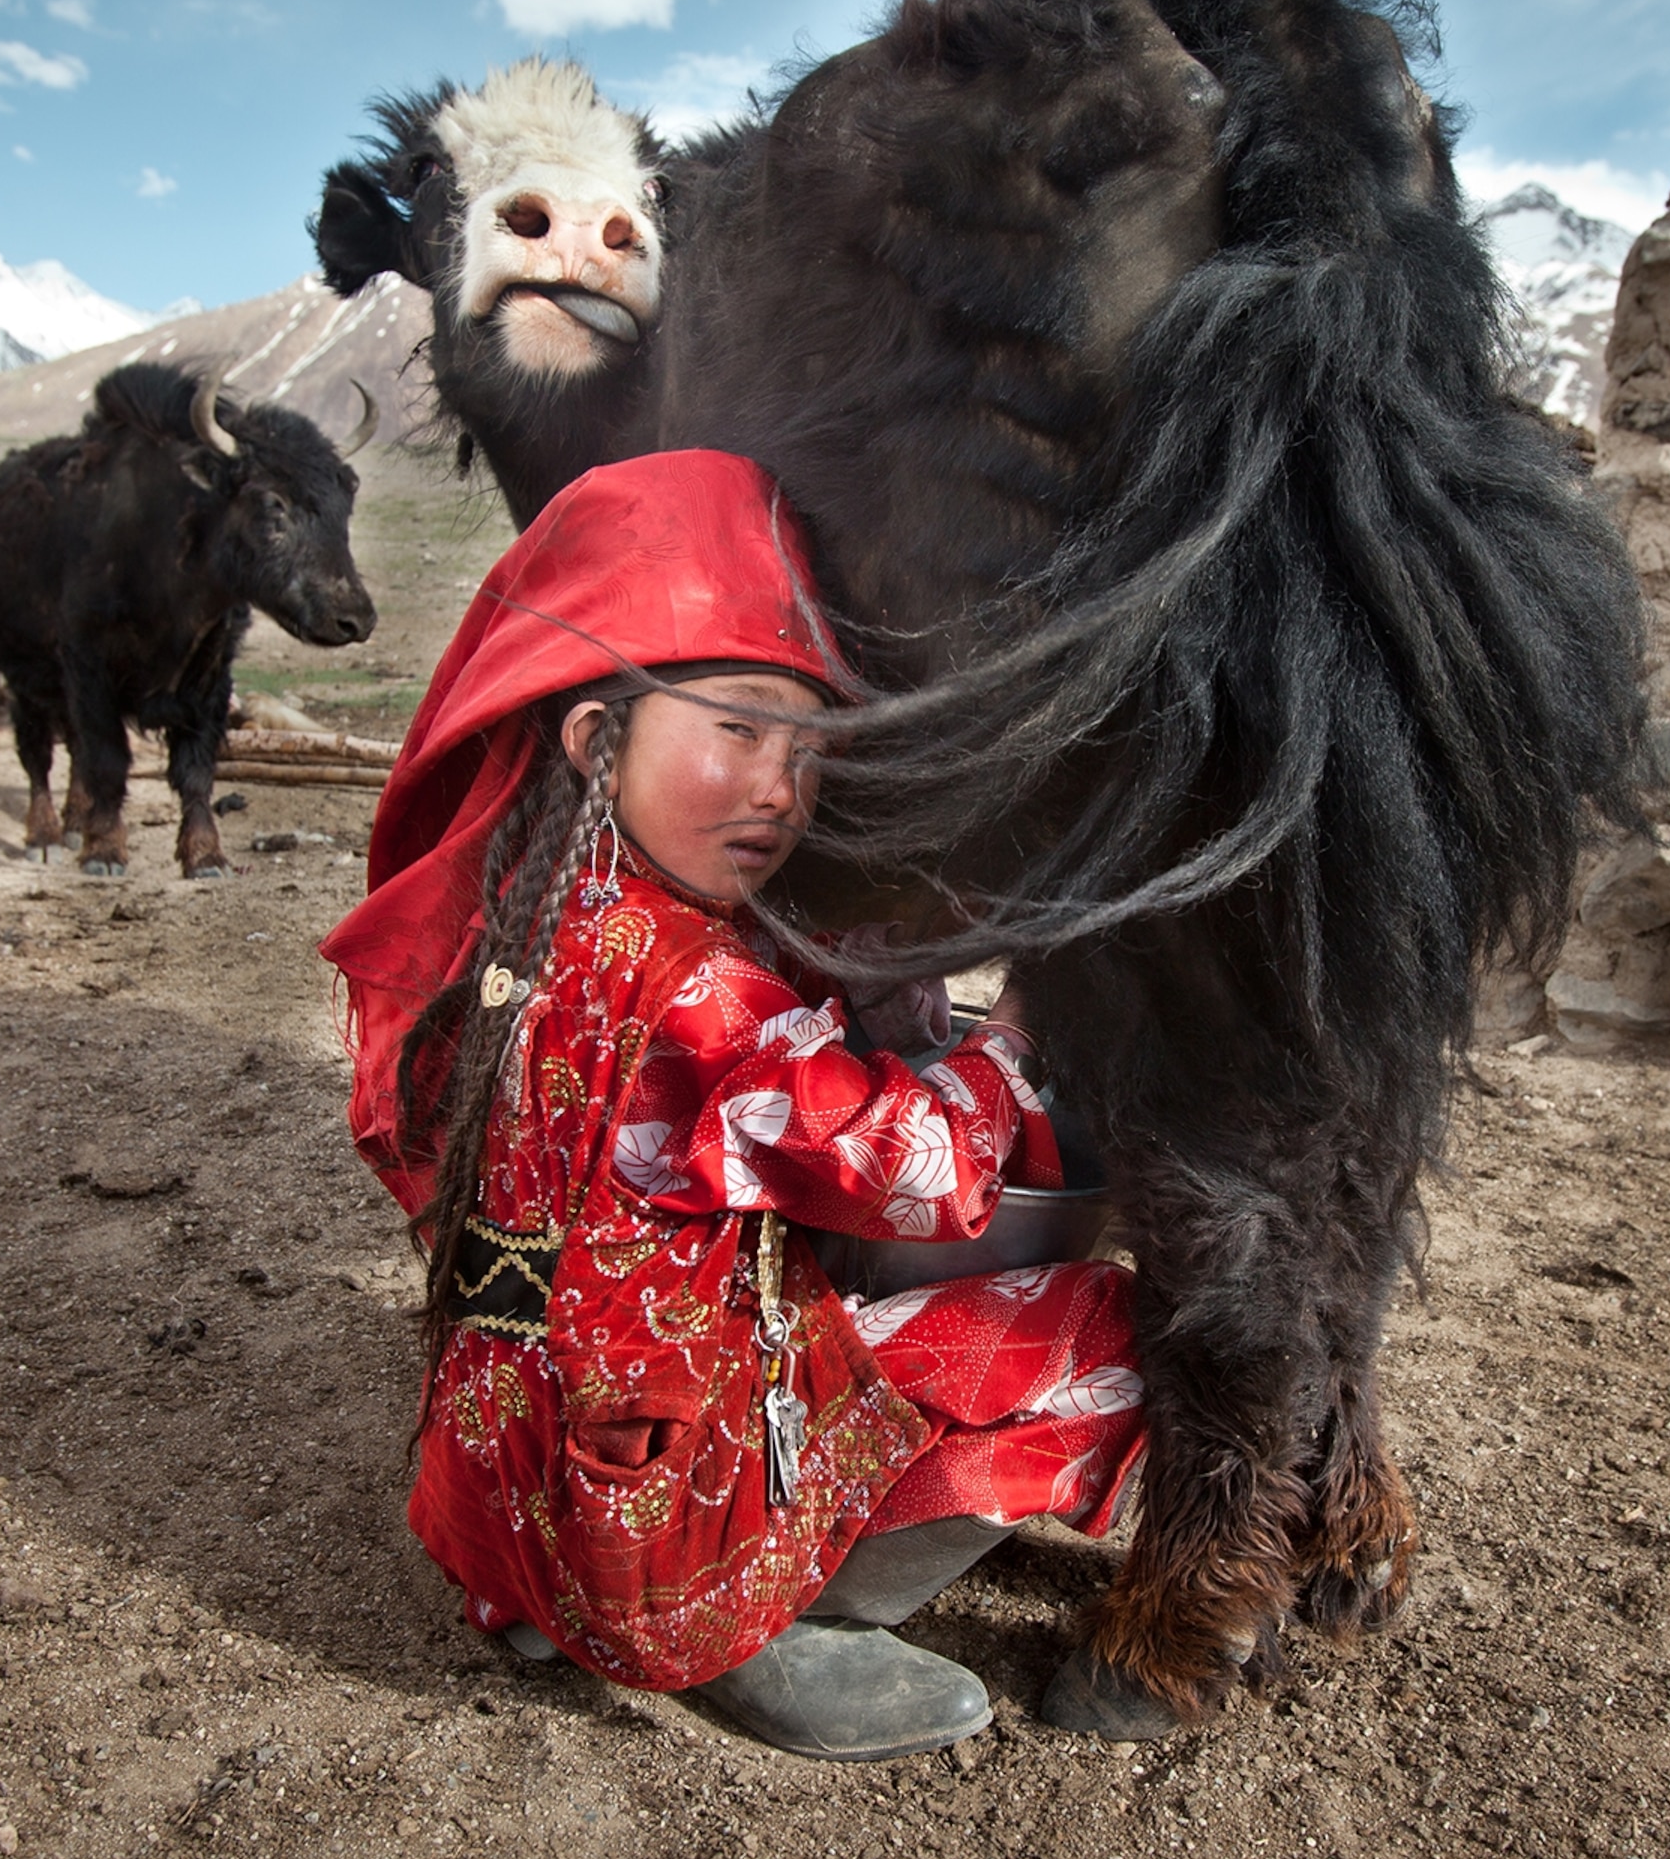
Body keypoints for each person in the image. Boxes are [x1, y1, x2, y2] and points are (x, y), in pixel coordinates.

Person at [322, 450, 1144, 1760]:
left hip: (504, 1487)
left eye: (808, 747)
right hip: (652, 1522)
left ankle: (539, 1594)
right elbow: (923, 1170)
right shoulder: (703, 991)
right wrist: (1022, 1033)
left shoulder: (504, 933)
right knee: (1113, 1327)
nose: (781, 787)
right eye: (739, 730)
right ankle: (769, 1627)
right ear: (598, 737)